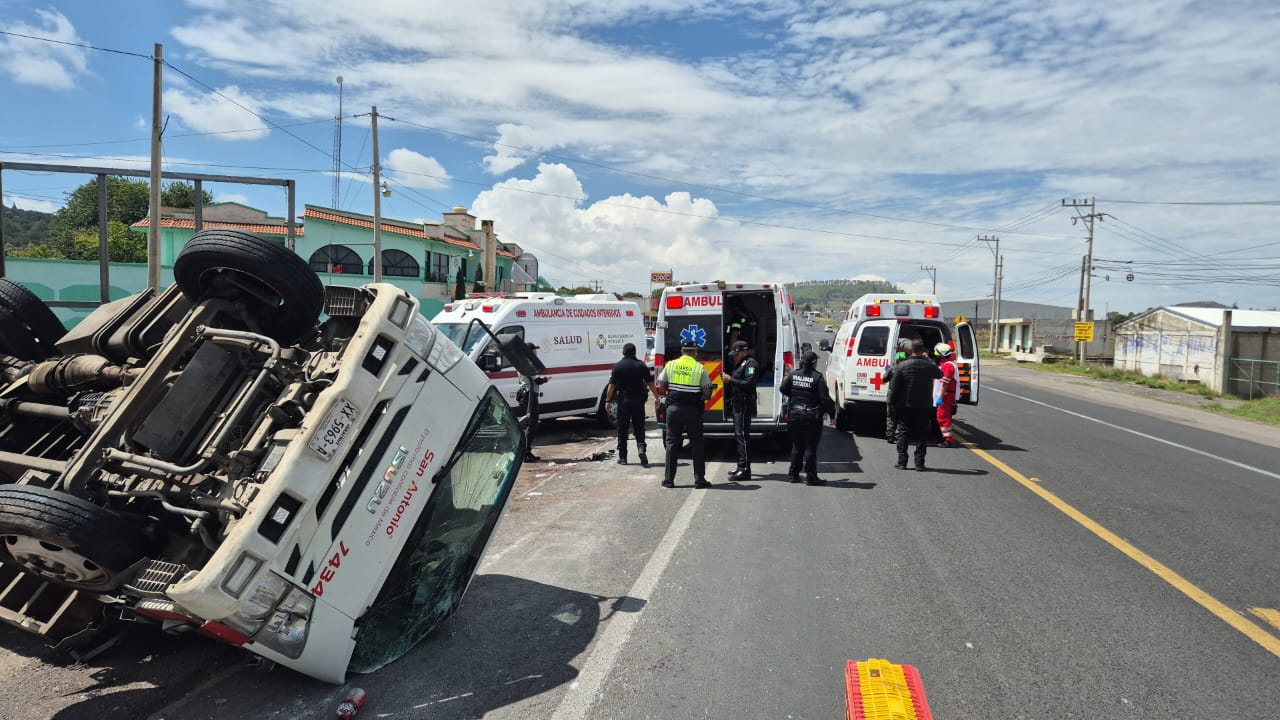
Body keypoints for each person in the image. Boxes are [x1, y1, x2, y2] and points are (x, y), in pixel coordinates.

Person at [655, 337, 712, 489]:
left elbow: (660, 383)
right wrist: (701, 396)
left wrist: (670, 390)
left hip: (673, 409)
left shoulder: (671, 364)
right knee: (697, 444)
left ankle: (668, 480)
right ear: (695, 352)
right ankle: (699, 480)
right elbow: (707, 391)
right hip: (693, 410)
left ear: (682, 351)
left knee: (672, 443)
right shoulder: (699, 368)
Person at [780, 350, 835, 485]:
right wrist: (832, 415)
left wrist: (794, 395)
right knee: (810, 447)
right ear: (814, 363)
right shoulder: (817, 377)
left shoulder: (794, 375)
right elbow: (825, 399)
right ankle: (811, 477)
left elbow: (783, 389)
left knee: (797, 446)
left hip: (794, 415)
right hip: (811, 417)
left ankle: (793, 475)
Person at [888, 340, 943, 471]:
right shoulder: (928, 365)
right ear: (923, 350)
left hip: (905, 406)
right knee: (921, 434)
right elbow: (940, 374)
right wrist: (929, 359)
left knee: (903, 433)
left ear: (910, 350)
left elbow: (894, 388)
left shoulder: (902, 366)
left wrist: (891, 404)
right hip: (924, 406)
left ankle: (902, 462)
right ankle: (919, 464)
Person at [605, 342, 658, 467]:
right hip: (638, 401)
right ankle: (641, 448)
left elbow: (611, 386)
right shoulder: (641, 365)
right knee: (639, 427)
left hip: (623, 401)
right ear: (634, 352)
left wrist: (607, 401)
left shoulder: (618, 366)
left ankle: (623, 457)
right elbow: (650, 383)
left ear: (623, 353)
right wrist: (657, 397)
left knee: (622, 429)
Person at [725, 340, 759, 480]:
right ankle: (741, 465)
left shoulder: (751, 364)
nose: (734, 356)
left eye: (737, 354)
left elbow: (749, 383)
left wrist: (730, 379)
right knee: (739, 435)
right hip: (737, 402)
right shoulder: (739, 363)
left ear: (744, 352)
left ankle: (745, 470)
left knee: (743, 436)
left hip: (745, 402)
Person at [516, 342, 548, 461]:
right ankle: (526, 451)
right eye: (534, 351)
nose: (536, 353)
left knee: (530, 424)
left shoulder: (522, 362)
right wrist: (545, 379)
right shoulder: (527, 363)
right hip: (529, 395)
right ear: (530, 351)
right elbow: (537, 380)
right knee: (531, 424)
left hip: (527, 394)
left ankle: (525, 451)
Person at [881, 338, 913, 444]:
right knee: (902, 418)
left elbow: (884, 379)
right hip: (904, 398)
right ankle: (900, 436)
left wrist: (887, 372)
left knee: (891, 417)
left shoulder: (892, 368)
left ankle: (890, 436)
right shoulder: (908, 369)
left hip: (892, 396)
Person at [933, 342, 960, 448]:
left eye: (937, 354)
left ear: (942, 355)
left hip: (946, 395)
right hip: (947, 394)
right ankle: (946, 437)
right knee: (945, 416)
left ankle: (949, 439)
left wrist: (940, 397)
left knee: (942, 416)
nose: (936, 356)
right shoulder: (947, 364)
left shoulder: (948, 366)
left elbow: (945, 383)